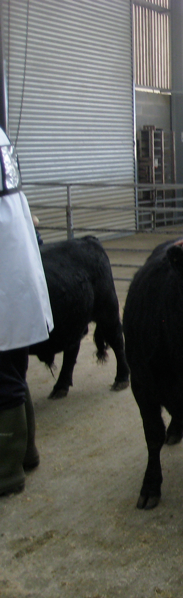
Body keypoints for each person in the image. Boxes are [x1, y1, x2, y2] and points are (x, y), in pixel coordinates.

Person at [0, 126, 52, 497]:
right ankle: (26, 453)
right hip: (14, 276)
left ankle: (6, 473)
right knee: (13, 373)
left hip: (6, 282)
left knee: (4, 380)